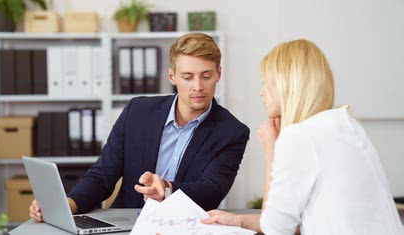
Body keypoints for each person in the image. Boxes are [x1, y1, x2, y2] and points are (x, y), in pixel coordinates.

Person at [29, 32, 250, 221]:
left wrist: (165, 189)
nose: (198, 87)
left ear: (218, 74)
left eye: (206, 76)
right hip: (126, 223)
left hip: (185, 226)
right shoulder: (138, 112)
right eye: (187, 77)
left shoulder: (232, 132)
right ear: (172, 77)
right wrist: (70, 204)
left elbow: (211, 190)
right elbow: (103, 174)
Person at [203, 39, 404, 234]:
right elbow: (298, 219)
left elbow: (275, 229)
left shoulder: (299, 138)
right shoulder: (345, 124)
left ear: (285, 85)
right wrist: (238, 220)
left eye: (266, 83)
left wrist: (271, 151)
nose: (262, 93)